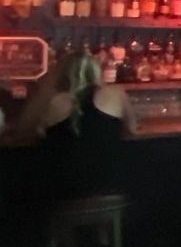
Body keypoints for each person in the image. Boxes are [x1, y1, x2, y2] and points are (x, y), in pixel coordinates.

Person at [12, 50, 132, 205]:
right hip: (109, 186)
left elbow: (23, 132)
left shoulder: (52, 99)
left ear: (62, 74)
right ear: (97, 71)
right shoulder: (117, 93)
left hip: (59, 191)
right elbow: (132, 128)